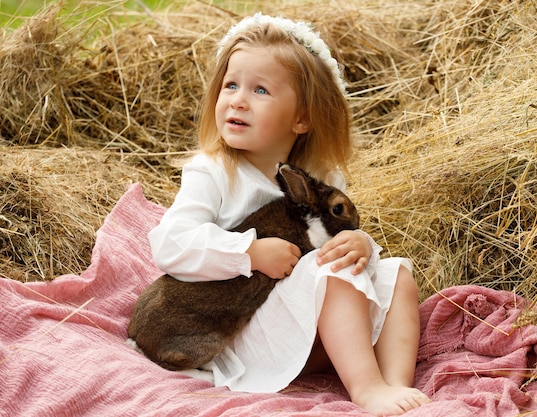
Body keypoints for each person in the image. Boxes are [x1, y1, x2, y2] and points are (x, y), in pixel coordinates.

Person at [148, 13, 431, 416]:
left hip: (305, 329)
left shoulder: (320, 177)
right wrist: (249, 252)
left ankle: (393, 385)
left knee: (397, 272)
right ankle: (366, 389)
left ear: (301, 118)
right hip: (239, 328)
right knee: (329, 272)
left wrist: (359, 243)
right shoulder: (213, 171)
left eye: (260, 89)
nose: (238, 99)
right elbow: (170, 244)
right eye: (231, 85)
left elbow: (335, 249)